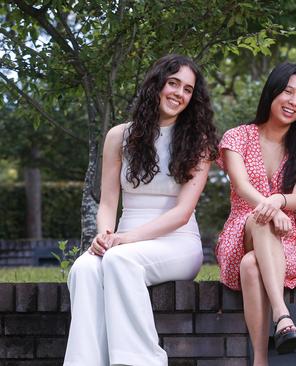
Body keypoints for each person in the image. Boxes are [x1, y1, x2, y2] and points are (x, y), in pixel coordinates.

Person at [63, 54, 218, 365]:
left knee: (120, 260)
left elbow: (182, 213)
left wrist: (125, 240)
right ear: (157, 84)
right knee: (84, 268)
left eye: (188, 89)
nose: (179, 93)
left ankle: (140, 360)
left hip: (178, 242)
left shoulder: (198, 143)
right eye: (173, 83)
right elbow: (108, 202)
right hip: (124, 239)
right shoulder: (119, 136)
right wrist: (105, 235)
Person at [215, 62, 296, 364]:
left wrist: (278, 202)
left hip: (286, 238)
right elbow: (241, 184)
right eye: (288, 92)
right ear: (272, 92)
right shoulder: (238, 136)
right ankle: (282, 315)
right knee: (257, 221)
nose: (293, 102)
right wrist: (271, 209)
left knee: (251, 265)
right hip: (241, 229)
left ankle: (260, 359)